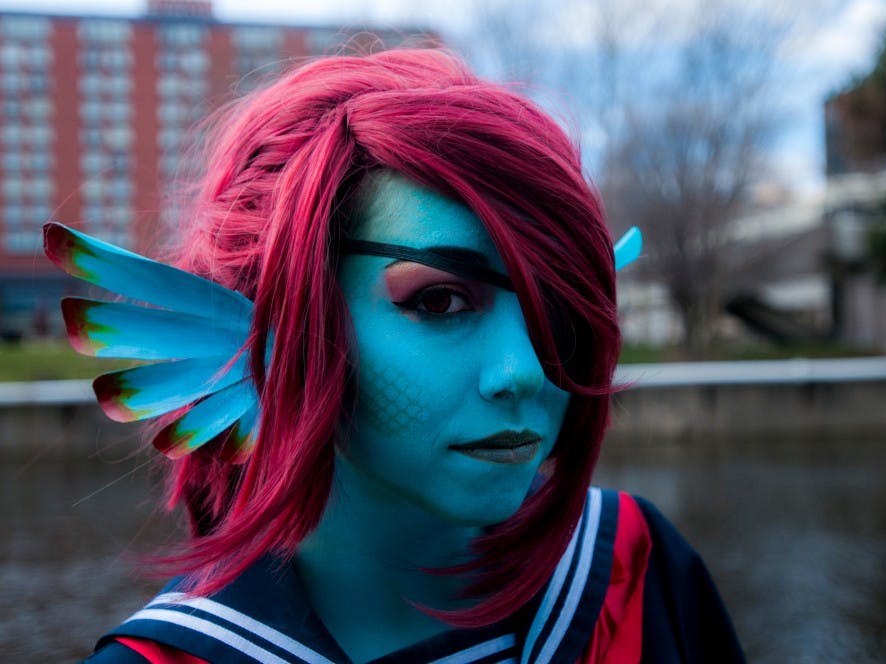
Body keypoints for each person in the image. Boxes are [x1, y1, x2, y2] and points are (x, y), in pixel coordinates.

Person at [46, 49, 743, 663]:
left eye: (556, 304)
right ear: (271, 330)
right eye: (439, 302)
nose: (525, 372)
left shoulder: (634, 569)